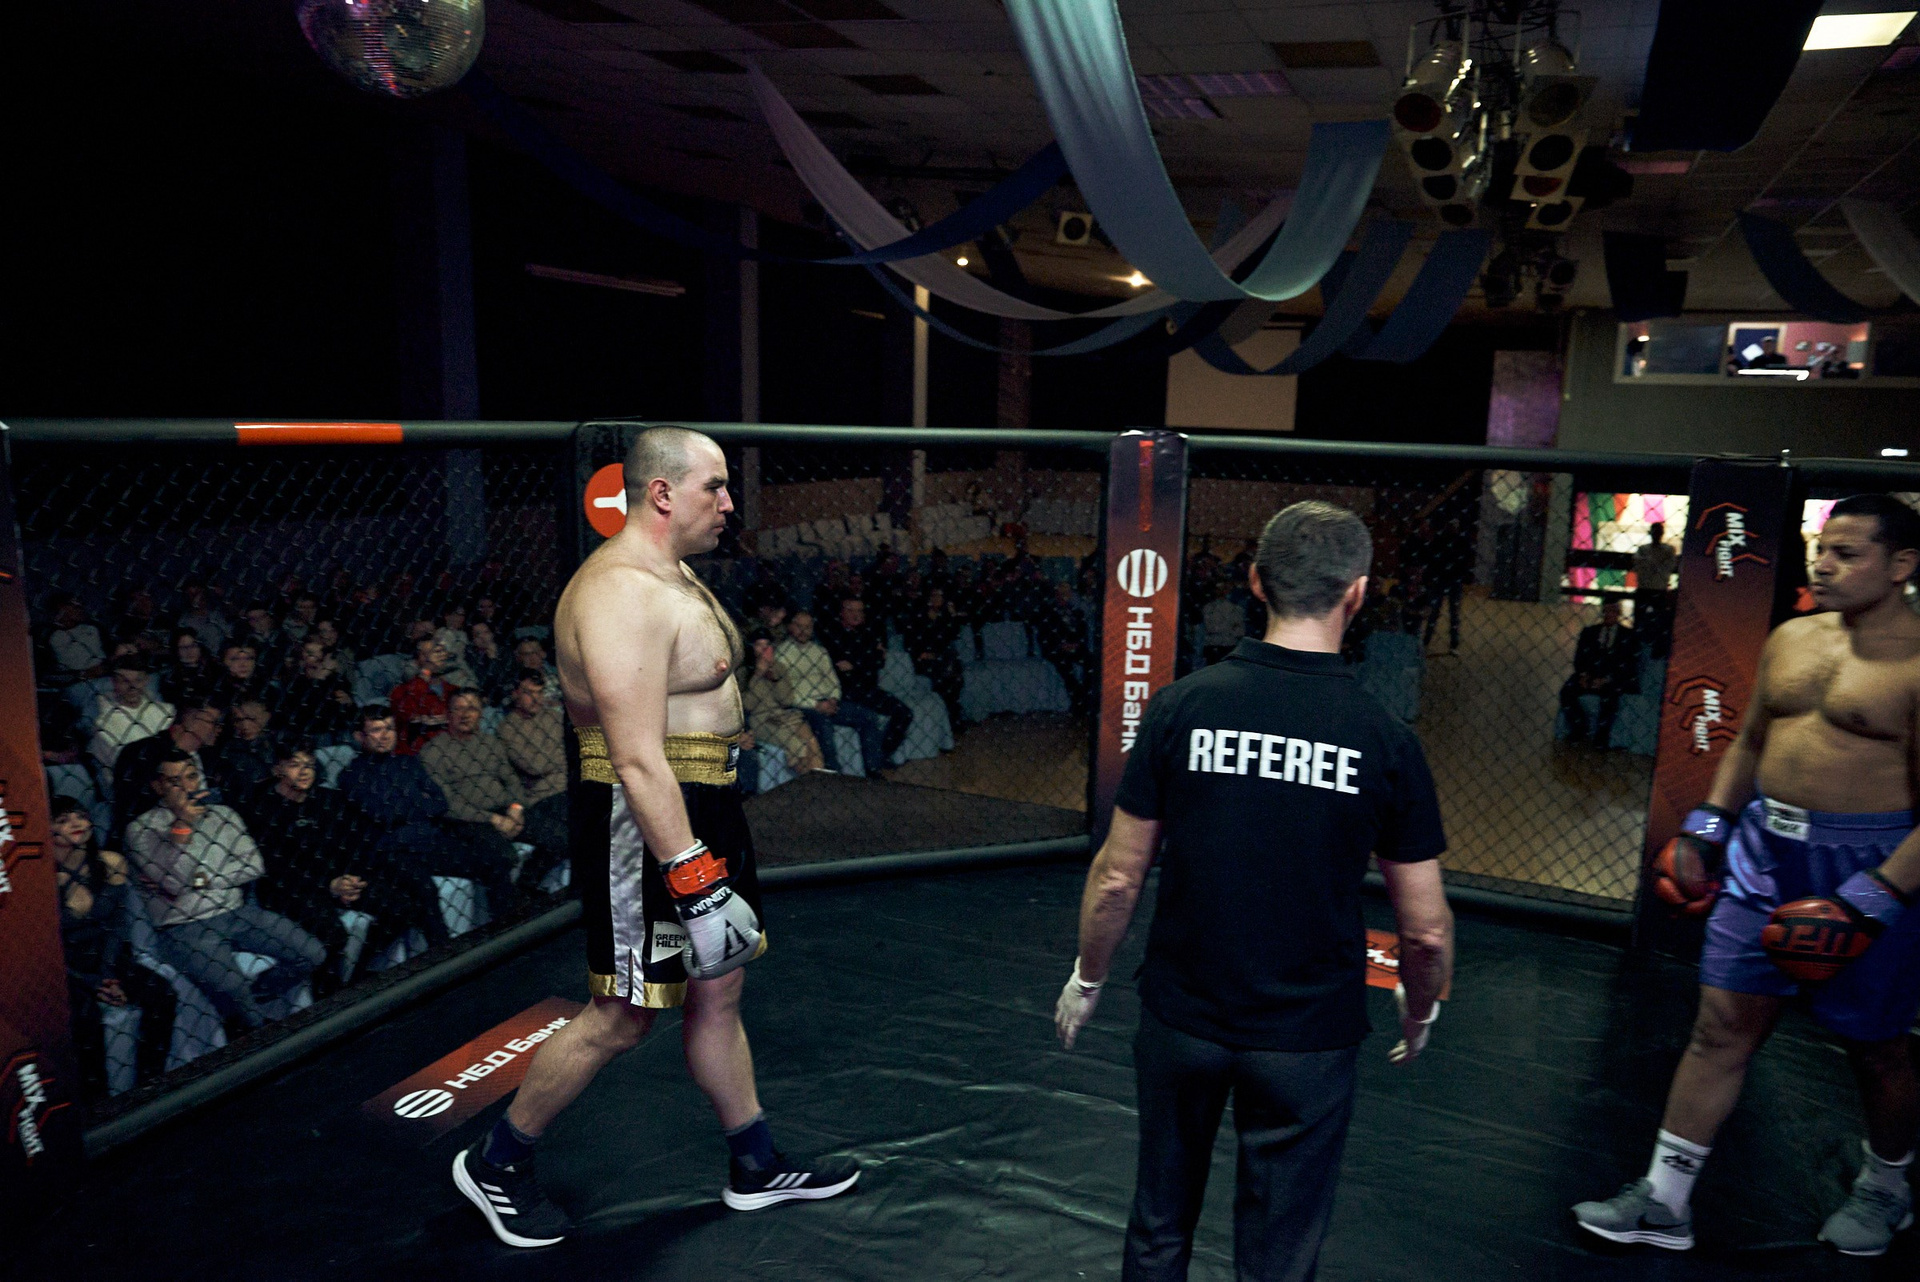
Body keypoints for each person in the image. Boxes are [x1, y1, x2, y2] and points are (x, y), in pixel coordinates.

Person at [452, 426, 857, 1248]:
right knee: (623, 1013)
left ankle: (755, 1165)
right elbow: (636, 758)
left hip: (705, 804)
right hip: (646, 819)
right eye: (716, 485)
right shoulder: (618, 593)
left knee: (720, 990)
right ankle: (495, 1162)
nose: (731, 502)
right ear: (663, 493)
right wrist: (693, 876)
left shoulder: (672, 571)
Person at [1054, 500, 1454, 1282]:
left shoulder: (1181, 706)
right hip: (1305, 1038)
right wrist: (1419, 1008)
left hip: (1185, 1020)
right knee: (1279, 1251)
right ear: (1357, 594)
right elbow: (1426, 931)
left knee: (1159, 1224)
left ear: (1256, 582)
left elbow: (1118, 878)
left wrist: (1087, 977)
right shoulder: (1384, 738)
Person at [1575, 495, 1920, 1257]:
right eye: (1820, 549)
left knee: (1877, 1046)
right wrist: (1708, 826)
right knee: (1719, 1027)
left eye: (1847, 554)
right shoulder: (1791, 637)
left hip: (1869, 865)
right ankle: (1665, 1200)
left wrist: (1873, 899)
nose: (1823, 566)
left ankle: (1887, 1187)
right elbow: (1749, 742)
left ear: (1902, 565)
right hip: (1764, 852)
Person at [126, 749, 326, 1031]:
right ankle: (254, 1032)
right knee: (234, 989)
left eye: (191, 777)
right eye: (174, 781)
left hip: (236, 911)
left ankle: (259, 998)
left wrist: (203, 879)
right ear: (158, 786)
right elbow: (176, 882)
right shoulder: (142, 829)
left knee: (312, 953)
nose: (186, 787)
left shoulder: (223, 815)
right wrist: (182, 826)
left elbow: (254, 865)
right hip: (184, 926)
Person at [240, 741, 439, 997]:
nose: (304, 771)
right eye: (295, 765)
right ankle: (328, 1000)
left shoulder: (328, 799)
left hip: (338, 878)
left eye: (309, 765)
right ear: (278, 769)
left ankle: (359, 975)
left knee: (401, 908)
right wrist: (328, 886)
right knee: (332, 933)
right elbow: (277, 869)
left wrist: (351, 878)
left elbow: (356, 843)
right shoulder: (262, 810)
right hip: (293, 888)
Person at [337, 705, 518, 936]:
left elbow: (439, 802)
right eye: (376, 730)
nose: (385, 735)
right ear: (359, 736)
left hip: (430, 840)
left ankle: (508, 929)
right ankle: (443, 950)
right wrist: (417, 802)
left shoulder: (408, 762)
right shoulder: (351, 776)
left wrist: (403, 805)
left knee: (494, 861)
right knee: (424, 889)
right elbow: (382, 814)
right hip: (393, 851)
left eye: (389, 728)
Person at [51, 797, 178, 1101]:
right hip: (65, 965)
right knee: (85, 1018)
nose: (77, 824)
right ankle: (98, 1103)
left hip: (108, 955)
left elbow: (117, 927)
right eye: (63, 820)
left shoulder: (110, 862)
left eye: (80, 816)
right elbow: (47, 946)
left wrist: (109, 976)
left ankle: (150, 1084)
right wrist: (92, 983)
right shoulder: (41, 882)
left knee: (163, 993)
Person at [421, 689, 556, 900]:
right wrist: (493, 819)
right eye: (458, 709)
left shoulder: (490, 742)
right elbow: (448, 803)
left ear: (481, 713)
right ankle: (508, 912)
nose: (465, 715)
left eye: (472, 708)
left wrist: (516, 810)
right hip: (470, 821)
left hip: (506, 810)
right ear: (448, 714)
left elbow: (511, 780)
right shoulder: (433, 751)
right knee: (502, 857)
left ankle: (527, 885)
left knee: (559, 836)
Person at [778, 609, 889, 778]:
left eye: (808, 627)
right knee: (823, 724)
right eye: (799, 626)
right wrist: (815, 705)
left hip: (828, 701)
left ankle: (873, 769)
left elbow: (833, 681)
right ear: (790, 627)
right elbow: (785, 693)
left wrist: (833, 699)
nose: (803, 631)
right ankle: (833, 772)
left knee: (869, 717)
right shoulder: (782, 654)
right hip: (803, 706)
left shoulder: (819, 651)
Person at [816, 598, 912, 774]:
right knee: (868, 717)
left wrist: (856, 663)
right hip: (845, 692)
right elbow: (842, 666)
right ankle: (872, 766)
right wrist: (867, 659)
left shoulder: (868, 633)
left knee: (904, 713)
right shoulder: (832, 635)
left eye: (860, 611)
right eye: (851, 610)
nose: (856, 615)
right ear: (841, 613)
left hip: (869, 689)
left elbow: (878, 661)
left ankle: (882, 754)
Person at [111, 702, 224, 846]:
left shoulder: (210, 755)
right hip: (157, 839)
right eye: (214, 722)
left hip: (211, 832)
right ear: (193, 722)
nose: (219, 728)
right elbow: (130, 811)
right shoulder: (140, 754)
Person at [498, 673, 571, 885]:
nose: (536, 699)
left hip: (569, 787)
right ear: (515, 694)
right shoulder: (508, 728)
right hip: (542, 797)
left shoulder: (554, 717)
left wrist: (556, 756)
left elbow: (574, 751)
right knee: (571, 831)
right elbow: (535, 766)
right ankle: (528, 883)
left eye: (539, 693)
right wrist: (562, 755)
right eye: (528, 693)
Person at [738, 631, 825, 776]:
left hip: (783, 715)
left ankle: (820, 778)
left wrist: (774, 676)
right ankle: (808, 780)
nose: (764, 649)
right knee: (796, 745)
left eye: (767, 645)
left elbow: (787, 700)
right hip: (761, 719)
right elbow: (747, 706)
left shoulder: (779, 667)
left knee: (811, 741)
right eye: (759, 645)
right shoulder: (743, 672)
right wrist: (758, 675)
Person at [1557, 599, 1639, 748]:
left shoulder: (1628, 636)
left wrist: (1607, 679)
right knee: (1566, 692)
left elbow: (1629, 665)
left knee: (1610, 697)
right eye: (1606, 611)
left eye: (1612, 611)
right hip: (1590, 674)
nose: (1608, 615)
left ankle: (1602, 736)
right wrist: (1583, 675)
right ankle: (1579, 726)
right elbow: (1579, 657)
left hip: (1613, 678)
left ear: (1618, 613)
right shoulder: (1590, 632)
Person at [89, 654, 174, 772]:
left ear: (146, 680)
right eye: (125, 681)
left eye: (138, 680)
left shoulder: (167, 711)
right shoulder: (103, 726)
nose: (132, 687)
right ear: (114, 682)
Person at [899, 587, 966, 730]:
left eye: (940, 596)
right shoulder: (917, 617)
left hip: (942, 658)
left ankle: (952, 717)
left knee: (951, 672)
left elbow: (954, 635)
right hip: (923, 659)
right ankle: (951, 718)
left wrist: (953, 615)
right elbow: (909, 643)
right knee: (947, 676)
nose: (936, 599)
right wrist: (924, 653)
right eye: (934, 595)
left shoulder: (944, 617)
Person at [275, 637, 358, 744]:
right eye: (309, 653)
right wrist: (319, 679)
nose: (314, 658)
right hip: (304, 734)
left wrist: (349, 703)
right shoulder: (293, 679)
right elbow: (301, 713)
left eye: (319, 653)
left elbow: (351, 713)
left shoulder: (336, 679)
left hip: (337, 732)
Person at [389, 638, 457, 755]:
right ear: (419, 658)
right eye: (432, 652)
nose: (439, 655)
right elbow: (408, 716)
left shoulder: (454, 691)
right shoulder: (401, 692)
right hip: (415, 755)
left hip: (453, 751)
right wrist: (426, 671)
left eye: (441, 651)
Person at [1036, 581, 1093, 716]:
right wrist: (1060, 644)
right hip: (1056, 648)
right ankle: (1079, 700)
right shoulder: (1047, 611)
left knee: (1091, 662)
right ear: (1056, 594)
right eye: (1060, 594)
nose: (1063, 597)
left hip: (1074, 646)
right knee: (1066, 667)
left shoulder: (1077, 612)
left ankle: (1084, 697)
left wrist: (1077, 644)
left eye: (1066, 594)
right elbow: (1044, 634)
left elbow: (1083, 632)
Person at [205, 699, 277, 801]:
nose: (245, 726)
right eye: (238, 720)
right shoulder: (228, 751)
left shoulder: (280, 746)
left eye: (251, 718)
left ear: (266, 716)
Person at [1632, 521, 1679, 659]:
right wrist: (1657, 565)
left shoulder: (1666, 550)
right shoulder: (1646, 549)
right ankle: (1639, 647)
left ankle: (1654, 648)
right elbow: (1638, 564)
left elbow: (1668, 566)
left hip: (1656, 589)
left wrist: (1649, 563)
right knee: (1641, 620)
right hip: (1649, 588)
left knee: (1659, 621)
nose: (1656, 535)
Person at [160, 628, 221, 710]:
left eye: (193, 646)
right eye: (183, 647)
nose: (189, 651)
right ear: (176, 650)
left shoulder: (215, 670)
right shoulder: (170, 676)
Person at [211, 640, 274, 714]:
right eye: (235, 659)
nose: (243, 664)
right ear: (222, 661)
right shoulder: (213, 693)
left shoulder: (270, 692)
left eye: (249, 658)